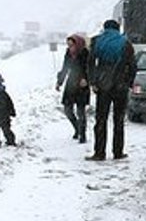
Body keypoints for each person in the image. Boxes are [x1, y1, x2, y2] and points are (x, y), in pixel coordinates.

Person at [86, 19, 137, 161]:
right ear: (118, 28)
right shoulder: (126, 43)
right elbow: (132, 65)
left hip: (103, 85)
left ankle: (99, 152)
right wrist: (129, 83)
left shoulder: (97, 41)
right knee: (118, 120)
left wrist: (93, 82)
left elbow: (90, 63)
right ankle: (118, 152)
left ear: (104, 28)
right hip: (120, 85)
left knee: (101, 120)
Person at [56, 34, 90, 143]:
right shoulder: (68, 53)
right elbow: (65, 68)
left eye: (72, 45)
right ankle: (77, 129)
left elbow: (90, 68)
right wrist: (59, 82)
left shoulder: (85, 53)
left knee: (81, 111)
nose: (70, 47)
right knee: (68, 110)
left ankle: (83, 134)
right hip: (71, 84)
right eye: (69, 45)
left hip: (82, 85)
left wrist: (86, 79)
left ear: (78, 44)